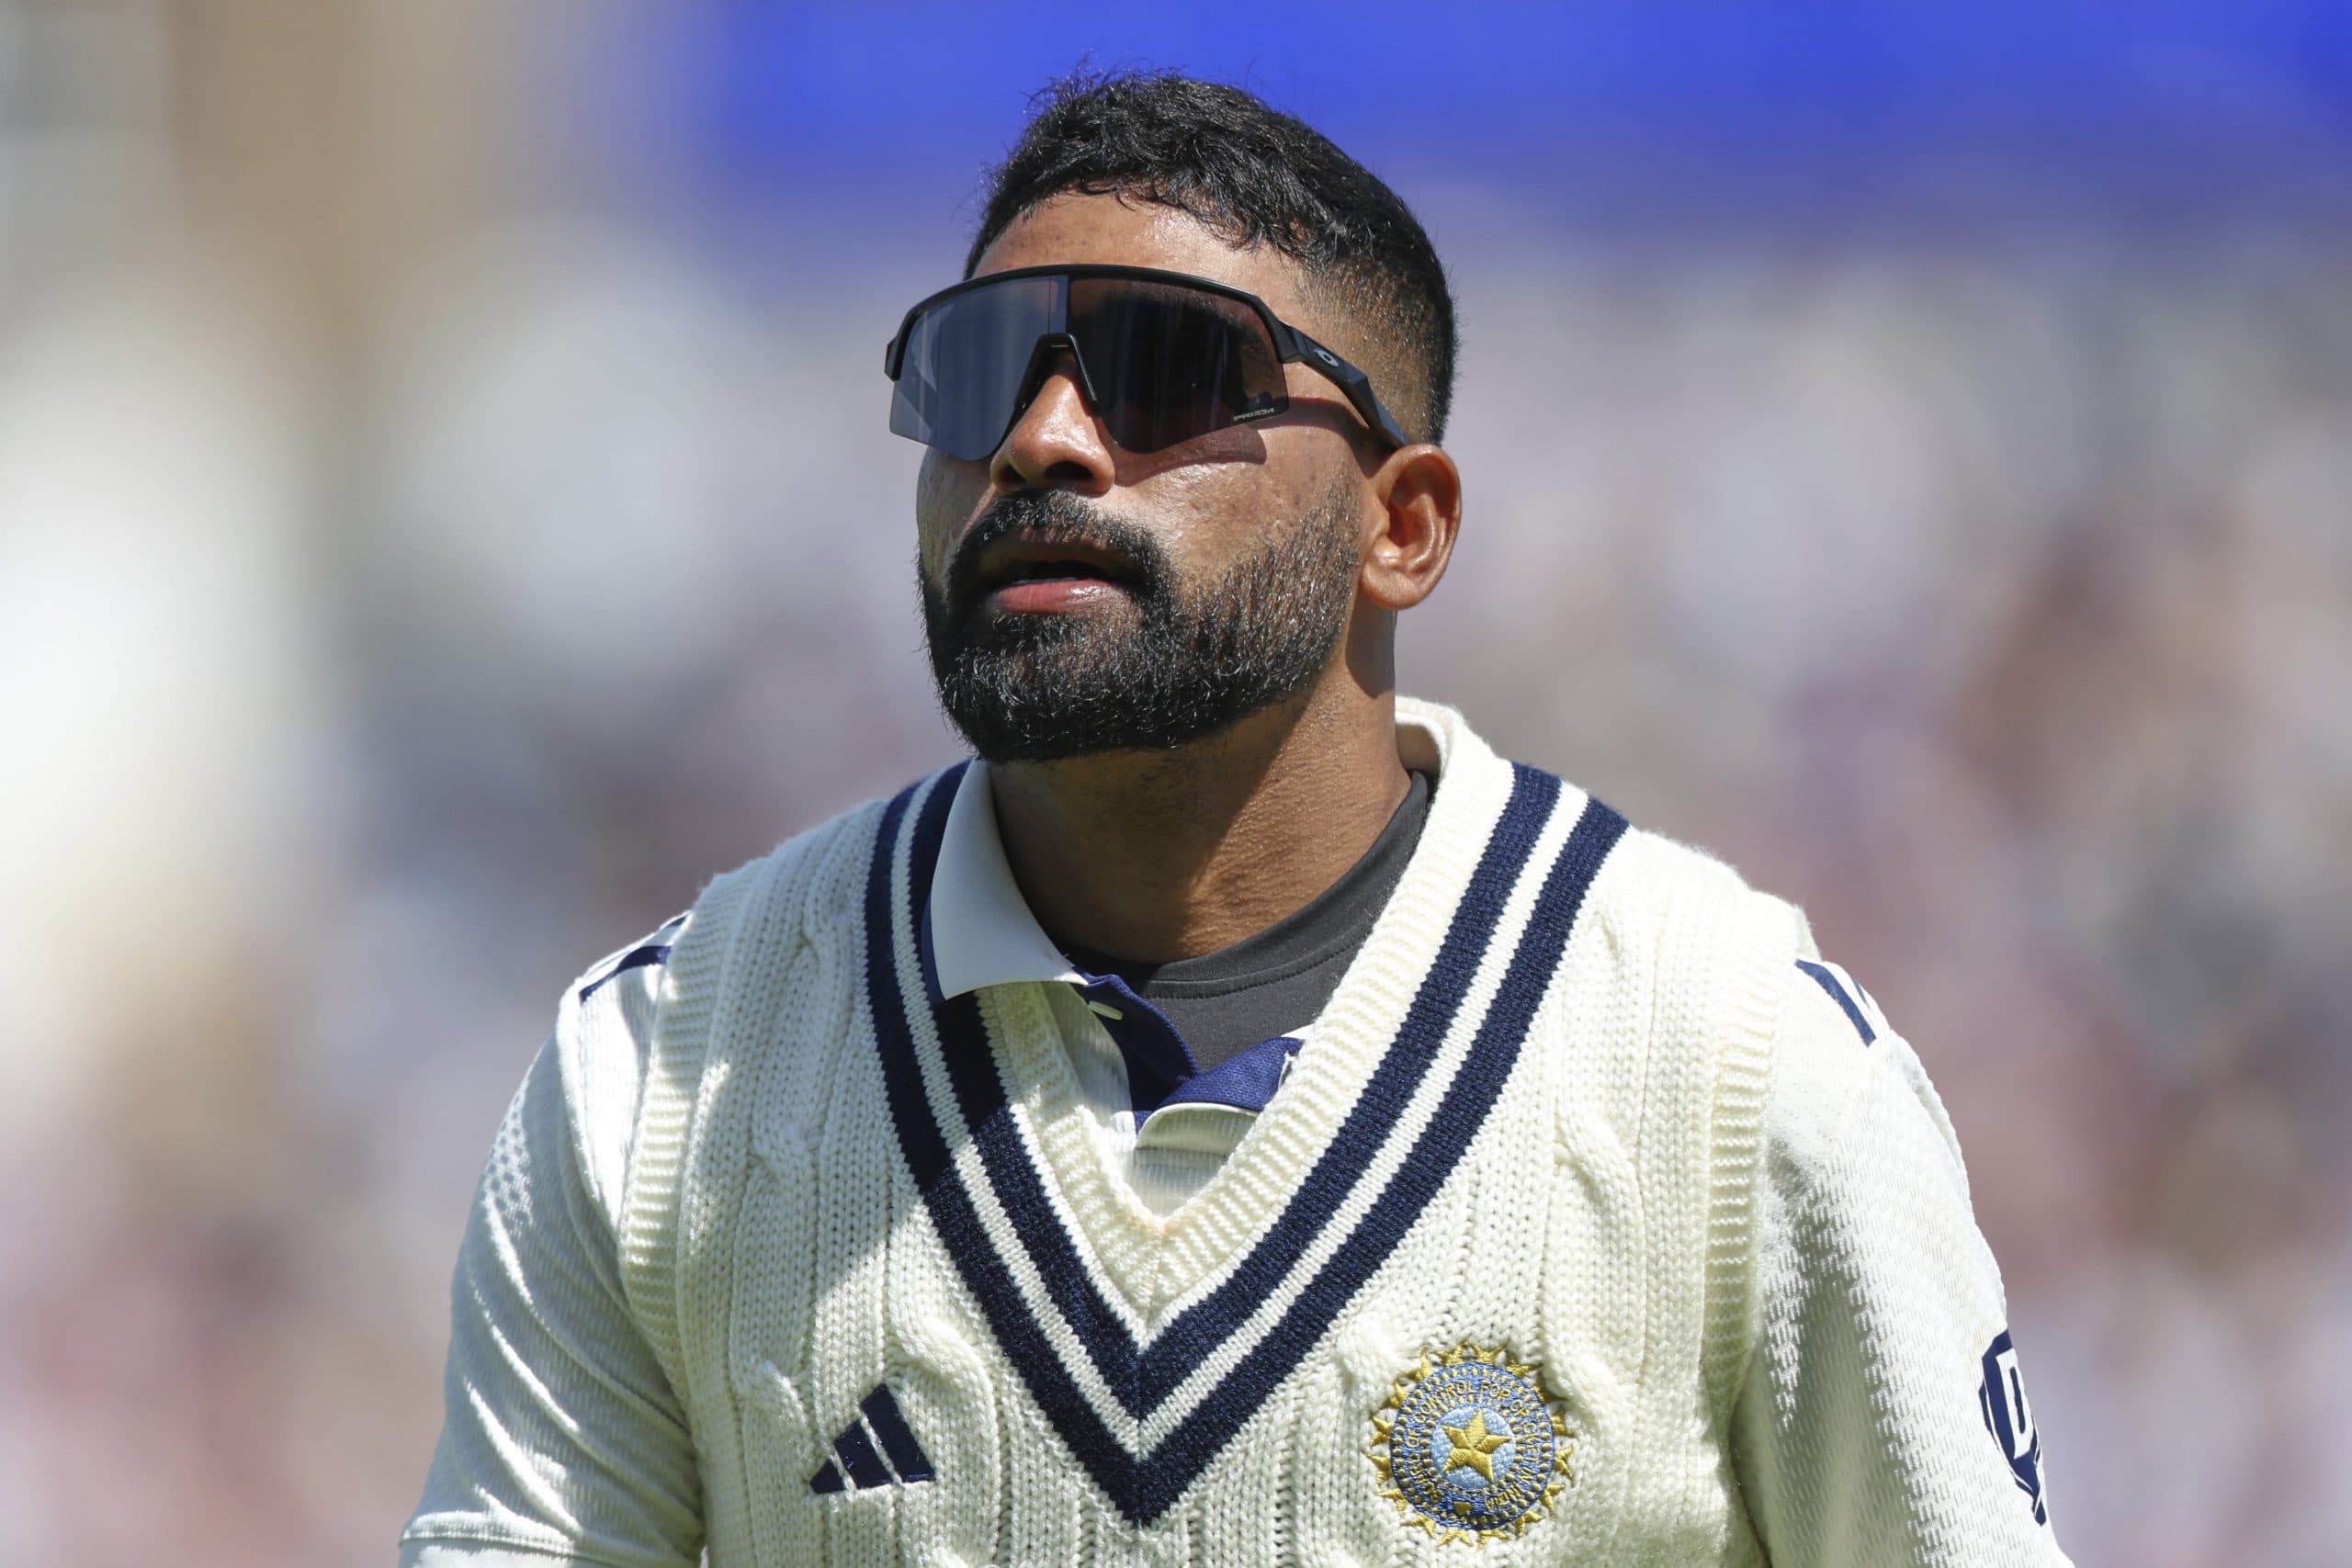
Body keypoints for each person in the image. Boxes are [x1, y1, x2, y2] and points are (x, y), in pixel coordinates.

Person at [400, 70, 2069, 1567]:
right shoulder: (665, 1073)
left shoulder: (1730, 1064)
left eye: (1162, 370)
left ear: (1401, 528)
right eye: (977, 375)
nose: (1045, 442)